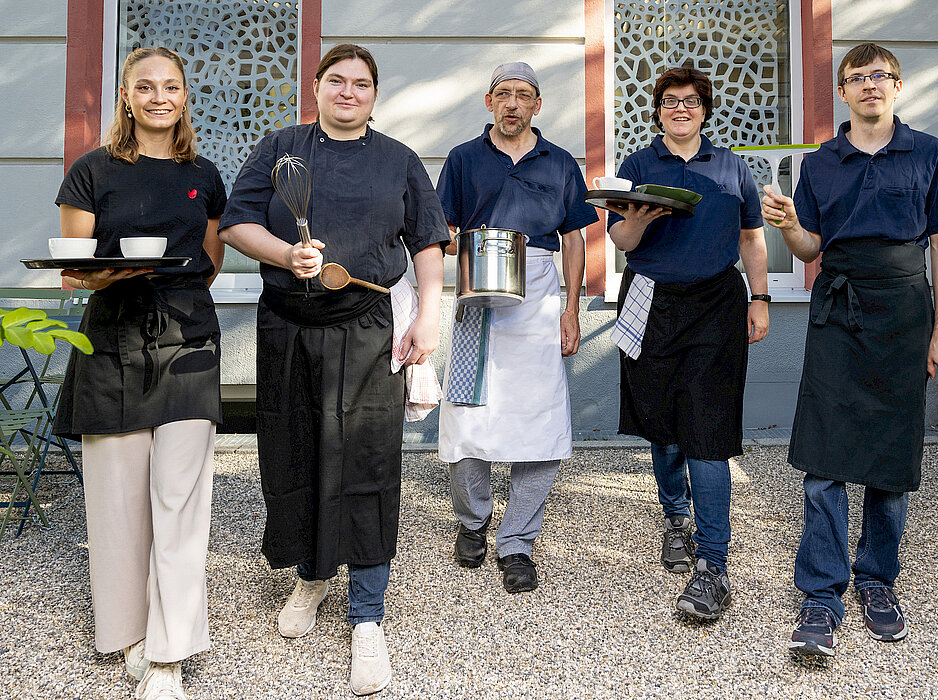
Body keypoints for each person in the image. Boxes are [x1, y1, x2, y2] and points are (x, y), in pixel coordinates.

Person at [218, 43, 447, 695]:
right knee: (296, 453)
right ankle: (312, 578)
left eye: (363, 84)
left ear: (374, 96)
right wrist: (288, 254)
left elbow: (428, 243)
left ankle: (368, 616)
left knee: (368, 462)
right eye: (337, 81)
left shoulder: (398, 162)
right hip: (288, 330)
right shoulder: (281, 148)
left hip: (367, 331)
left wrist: (428, 316)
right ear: (316, 86)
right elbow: (236, 225)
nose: (349, 92)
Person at [762, 43, 938, 657]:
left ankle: (877, 580)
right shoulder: (822, 162)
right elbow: (808, 249)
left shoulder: (929, 153)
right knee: (824, 457)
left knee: (892, 451)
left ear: (897, 86)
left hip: (906, 310)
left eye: (879, 76)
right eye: (857, 78)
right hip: (838, 307)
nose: (869, 86)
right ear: (844, 91)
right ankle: (822, 596)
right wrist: (787, 226)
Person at [53, 47, 226, 700]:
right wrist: (114, 271)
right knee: (118, 503)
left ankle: (167, 658)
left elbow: (206, 263)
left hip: (187, 341)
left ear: (184, 97)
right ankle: (128, 637)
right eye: (145, 87)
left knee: (180, 504)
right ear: (125, 96)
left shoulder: (204, 174)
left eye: (171, 87)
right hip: (111, 339)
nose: (159, 97)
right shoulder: (92, 171)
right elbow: (74, 264)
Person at [606, 66, 769, 621]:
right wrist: (641, 218)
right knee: (661, 421)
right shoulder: (637, 166)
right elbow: (621, 240)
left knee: (708, 428)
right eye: (670, 101)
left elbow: (751, 236)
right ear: (657, 110)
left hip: (717, 304)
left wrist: (761, 297)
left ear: (705, 110)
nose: (681, 108)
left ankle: (713, 562)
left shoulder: (732, 168)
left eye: (692, 101)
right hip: (648, 298)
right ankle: (674, 515)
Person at [436, 62, 598, 593]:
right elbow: (443, 234)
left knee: (541, 421)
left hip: (541, 300)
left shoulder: (560, 163)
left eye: (522, 95)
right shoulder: (462, 159)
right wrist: (462, 257)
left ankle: (518, 540)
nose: (512, 103)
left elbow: (574, 240)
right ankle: (473, 519)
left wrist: (572, 309)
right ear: (489, 103)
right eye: (502, 94)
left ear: (536, 106)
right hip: (477, 299)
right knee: (465, 414)